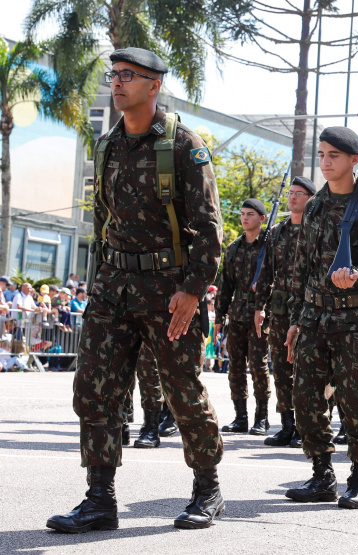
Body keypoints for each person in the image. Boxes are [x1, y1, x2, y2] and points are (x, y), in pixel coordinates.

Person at [47, 47, 225, 532]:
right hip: (113, 287)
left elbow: (210, 230)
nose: (118, 82)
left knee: (181, 389)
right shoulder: (107, 146)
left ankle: (207, 490)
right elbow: (103, 220)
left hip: (168, 289)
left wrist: (191, 291)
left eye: (129, 75)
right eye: (115, 75)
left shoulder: (183, 147)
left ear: (155, 85)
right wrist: (99, 280)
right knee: (94, 388)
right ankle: (100, 499)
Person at [283, 126, 358, 509]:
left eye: (334, 156)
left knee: (353, 398)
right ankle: (321, 475)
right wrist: (297, 319)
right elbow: (303, 266)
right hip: (315, 318)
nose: (326, 162)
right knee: (305, 397)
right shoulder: (314, 206)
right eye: (322, 155)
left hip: (356, 320)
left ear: (353, 160)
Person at [253, 176, 315, 447]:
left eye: (299, 194)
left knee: (305, 370)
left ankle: (305, 426)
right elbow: (265, 270)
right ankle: (287, 425)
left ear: (311, 198)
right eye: (291, 193)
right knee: (280, 368)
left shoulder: (316, 229)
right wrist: (259, 307)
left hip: (307, 310)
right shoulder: (277, 231)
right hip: (279, 310)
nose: (293, 198)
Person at [214, 199, 273, 436]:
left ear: (262, 219)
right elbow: (225, 285)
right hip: (237, 315)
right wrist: (219, 316)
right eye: (242, 214)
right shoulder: (233, 248)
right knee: (235, 367)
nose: (244, 218)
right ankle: (241, 416)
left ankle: (262, 417)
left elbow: (276, 278)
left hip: (260, 315)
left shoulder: (270, 246)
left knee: (259, 366)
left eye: (250, 214)